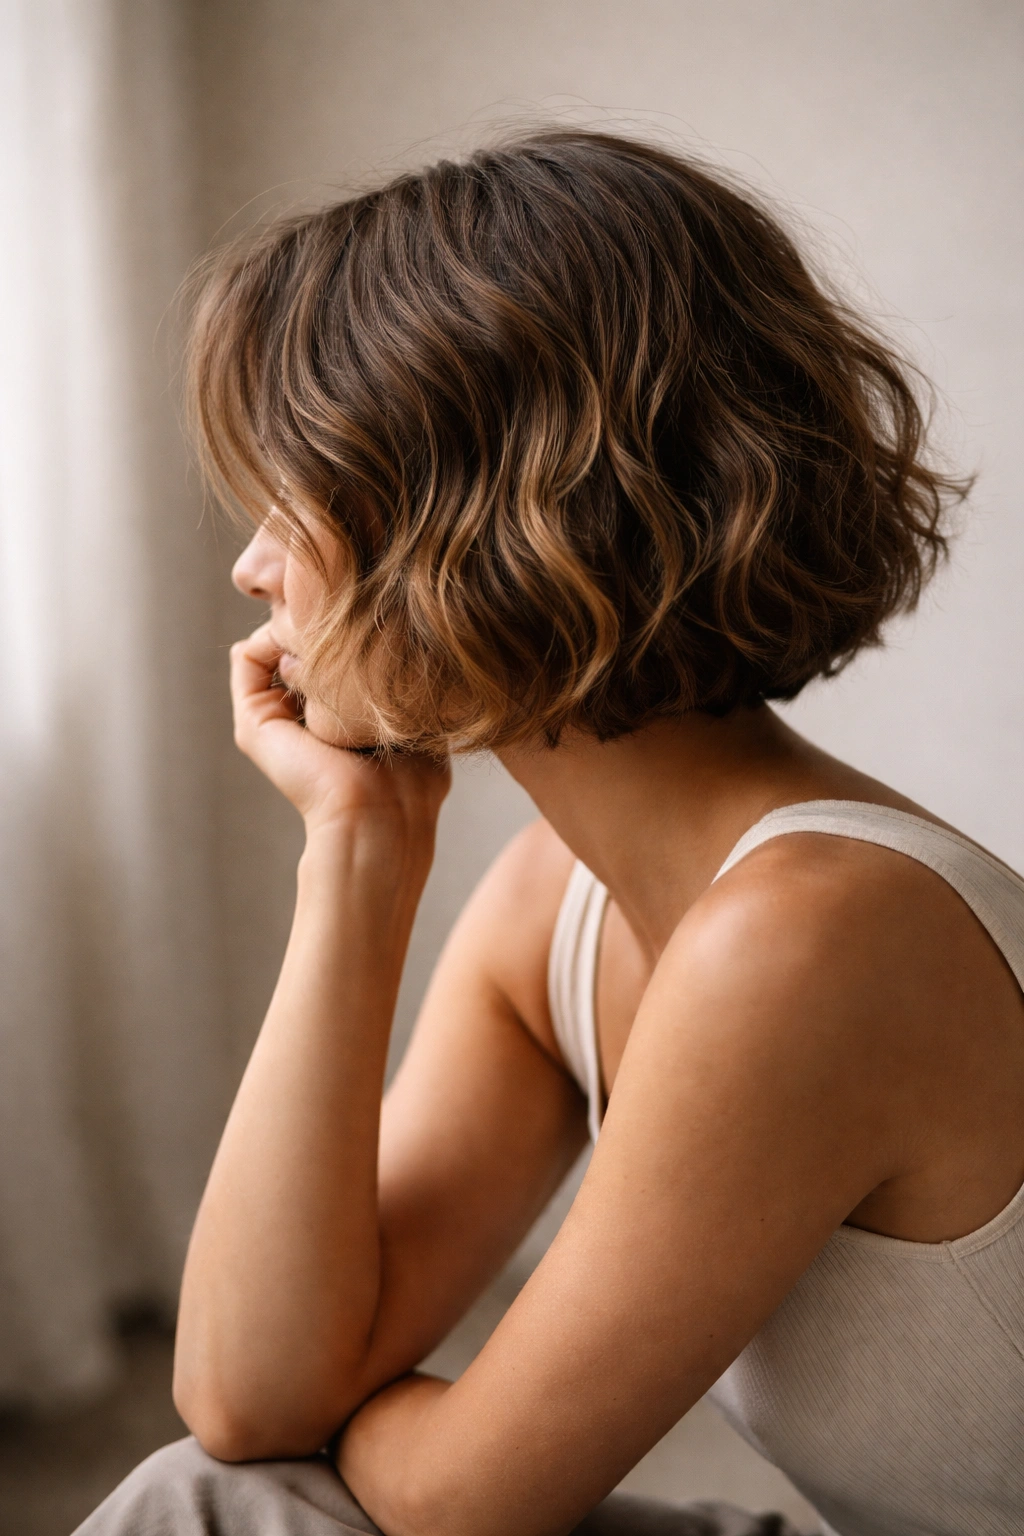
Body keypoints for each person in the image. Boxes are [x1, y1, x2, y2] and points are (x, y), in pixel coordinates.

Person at [77, 131, 1024, 1536]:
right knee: (210, 1493)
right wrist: (356, 854)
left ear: (475, 513)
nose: (252, 564)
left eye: (298, 492)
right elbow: (245, 1395)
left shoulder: (812, 936)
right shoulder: (553, 911)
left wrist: (383, 1402)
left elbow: (468, 1507)